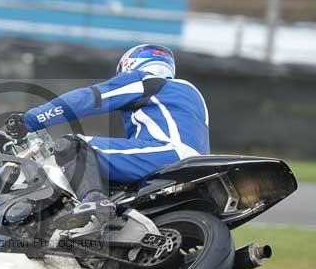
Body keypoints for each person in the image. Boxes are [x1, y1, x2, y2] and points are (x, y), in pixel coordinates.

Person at [18, 44, 210, 228]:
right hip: (198, 167)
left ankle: (93, 200)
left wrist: (30, 120)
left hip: (165, 154)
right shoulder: (193, 94)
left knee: (74, 145)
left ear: (130, 64)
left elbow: (89, 98)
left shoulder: (144, 80)